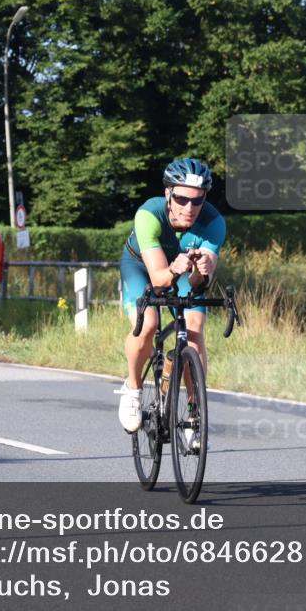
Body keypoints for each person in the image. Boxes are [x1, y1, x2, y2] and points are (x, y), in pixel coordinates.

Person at [116, 157, 226, 433]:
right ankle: (133, 387)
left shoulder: (214, 222)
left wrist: (204, 268)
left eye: (198, 201)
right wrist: (174, 269)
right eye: (182, 199)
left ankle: (193, 415)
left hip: (183, 268)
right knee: (149, 324)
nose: (190, 208)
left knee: (195, 329)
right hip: (142, 268)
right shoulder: (148, 215)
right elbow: (159, 280)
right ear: (168, 194)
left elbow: (199, 284)